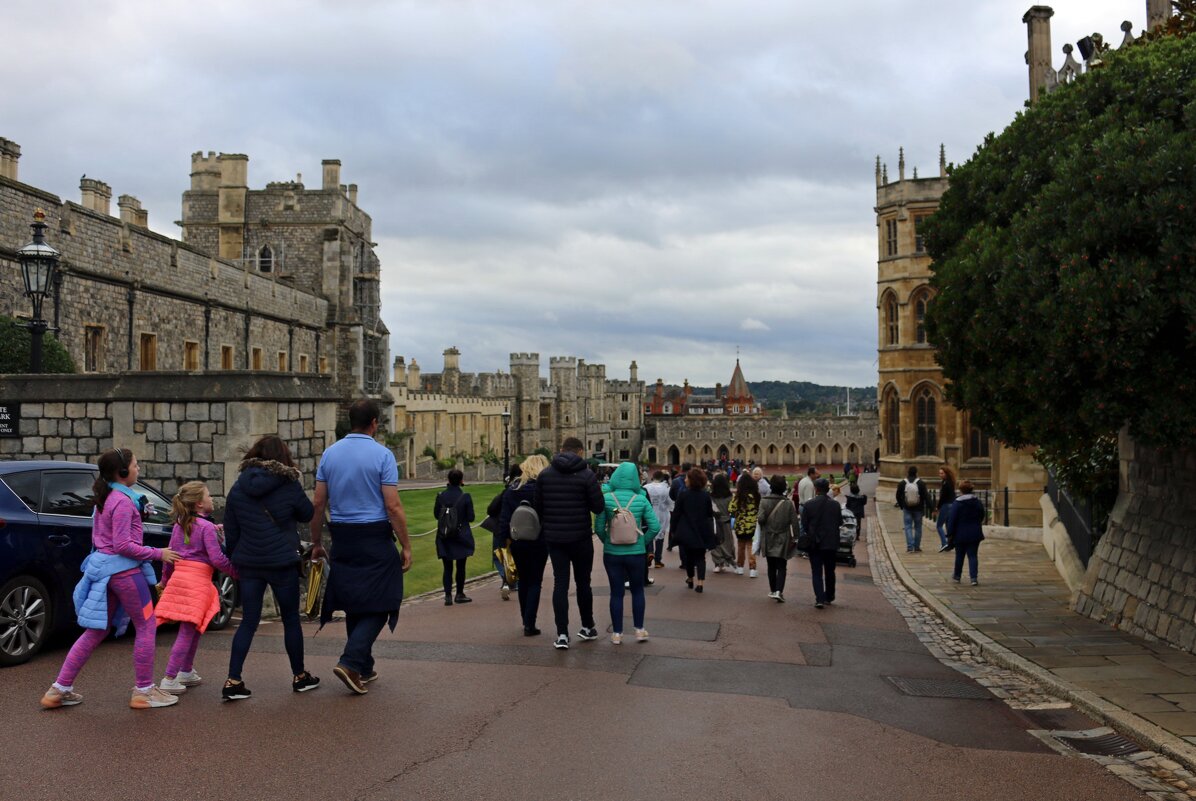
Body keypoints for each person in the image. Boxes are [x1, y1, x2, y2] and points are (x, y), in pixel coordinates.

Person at [41, 447, 181, 710]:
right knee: (147, 625)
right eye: (136, 465)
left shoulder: (107, 498)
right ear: (123, 471)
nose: (139, 469)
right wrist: (159, 553)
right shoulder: (123, 501)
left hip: (105, 571)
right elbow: (124, 546)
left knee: (97, 629)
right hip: (125, 573)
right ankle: (143, 691)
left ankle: (58, 689)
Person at [311, 399, 412, 695]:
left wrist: (317, 542)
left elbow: (318, 503)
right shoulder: (382, 455)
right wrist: (406, 546)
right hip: (373, 534)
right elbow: (393, 506)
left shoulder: (330, 454)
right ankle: (351, 661)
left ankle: (364, 667)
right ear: (374, 423)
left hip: (342, 535)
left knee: (356, 598)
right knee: (386, 599)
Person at [222, 435, 318, 700]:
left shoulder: (240, 486)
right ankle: (299, 676)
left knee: (248, 622)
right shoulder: (289, 483)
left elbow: (231, 527)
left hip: (249, 562)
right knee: (290, 620)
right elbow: (307, 514)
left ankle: (233, 679)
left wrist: (236, 555)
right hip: (281, 562)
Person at [156, 481, 240, 695]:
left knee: (192, 628)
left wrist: (165, 582)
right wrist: (236, 572)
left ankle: (186, 670)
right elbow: (217, 558)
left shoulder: (179, 525)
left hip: (179, 579)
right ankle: (170, 677)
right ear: (200, 504)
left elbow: (170, 557)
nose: (212, 499)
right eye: (209, 496)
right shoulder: (207, 528)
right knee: (187, 631)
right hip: (198, 582)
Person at [534, 437, 605, 650]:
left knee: (560, 584)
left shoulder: (545, 475)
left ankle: (562, 634)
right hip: (581, 537)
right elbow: (598, 507)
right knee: (583, 583)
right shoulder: (586, 475)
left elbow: (538, 508)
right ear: (580, 451)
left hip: (555, 538)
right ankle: (587, 626)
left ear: (561, 449)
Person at [595, 462, 660, 643]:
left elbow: (598, 526)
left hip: (612, 553)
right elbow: (655, 527)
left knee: (616, 593)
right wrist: (642, 542)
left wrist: (606, 540)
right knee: (638, 590)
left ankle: (617, 633)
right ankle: (639, 629)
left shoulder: (607, 499)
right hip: (636, 553)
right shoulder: (640, 499)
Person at [500, 455, 550, 635]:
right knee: (535, 581)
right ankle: (530, 623)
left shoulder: (512, 489)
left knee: (524, 581)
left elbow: (504, 519)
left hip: (518, 540)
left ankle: (525, 619)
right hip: (539, 540)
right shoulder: (544, 489)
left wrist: (503, 542)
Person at [434, 469, 476, 606]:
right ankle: (459, 593)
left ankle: (447, 596)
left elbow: (436, 515)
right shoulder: (465, 497)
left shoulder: (440, 496)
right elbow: (471, 517)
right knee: (461, 566)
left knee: (447, 568)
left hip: (444, 534)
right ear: (461, 481)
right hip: (460, 535)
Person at [801, 478, 844, 609]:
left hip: (815, 543)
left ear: (816, 489)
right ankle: (829, 596)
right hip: (831, 542)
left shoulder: (809, 505)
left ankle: (819, 598)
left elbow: (804, 525)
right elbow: (840, 522)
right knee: (830, 571)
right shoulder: (835, 505)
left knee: (816, 572)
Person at [671, 468, 716, 592]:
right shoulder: (705, 495)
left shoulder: (683, 494)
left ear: (692, 480)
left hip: (687, 530)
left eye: (687, 478)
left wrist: (673, 529)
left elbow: (676, 513)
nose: (685, 480)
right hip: (701, 530)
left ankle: (690, 578)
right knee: (701, 557)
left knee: (689, 557)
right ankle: (700, 583)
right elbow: (709, 514)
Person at [758, 475, 799, 602]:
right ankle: (778, 591)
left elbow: (760, 519)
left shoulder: (764, 501)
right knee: (782, 565)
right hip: (783, 536)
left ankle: (772, 589)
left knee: (771, 565)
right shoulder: (788, 503)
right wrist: (796, 538)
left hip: (768, 536)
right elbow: (795, 523)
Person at [488, 464, 522, 600]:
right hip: (519, 528)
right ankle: (512, 580)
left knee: (498, 556)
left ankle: (508, 579)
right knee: (515, 555)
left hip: (503, 527)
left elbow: (491, 510)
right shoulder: (527, 489)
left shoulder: (507, 491)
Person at [947, 480, 986, 586]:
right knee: (973, 556)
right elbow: (982, 514)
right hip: (974, 533)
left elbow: (952, 519)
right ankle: (974, 578)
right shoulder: (977, 502)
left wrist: (949, 533)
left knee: (959, 555)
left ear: (961, 490)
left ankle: (957, 575)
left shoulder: (957, 503)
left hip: (960, 534)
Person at [727, 474, 760, 577]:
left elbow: (731, 509)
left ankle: (740, 567)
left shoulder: (738, 496)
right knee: (751, 547)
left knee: (740, 546)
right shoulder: (756, 496)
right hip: (752, 525)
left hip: (741, 525)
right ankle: (752, 569)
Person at [896, 465, 931, 553]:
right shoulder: (921, 483)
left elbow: (898, 496)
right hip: (918, 509)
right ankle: (917, 547)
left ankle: (910, 547)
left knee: (908, 527)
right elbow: (926, 496)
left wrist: (902, 505)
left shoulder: (902, 483)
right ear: (916, 473)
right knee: (918, 527)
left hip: (907, 508)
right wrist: (931, 507)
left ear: (908, 473)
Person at [645, 471, 673, 568]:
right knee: (660, 536)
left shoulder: (646, 487)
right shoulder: (666, 489)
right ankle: (658, 560)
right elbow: (670, 503)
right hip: (662, 514)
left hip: (649, 513)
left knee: (649, 534)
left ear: (652, 476)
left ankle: (649, 552)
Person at [709, 473, 736, 572]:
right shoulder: (730, 496)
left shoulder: (711, 496)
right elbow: (732, 510)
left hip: (716, 522)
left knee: (716, 543)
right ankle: (727, 560)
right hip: (726, 522)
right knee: (727, 542)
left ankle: (718, 563)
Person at [936, 465, 957, 553]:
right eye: (940, 473)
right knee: (948, 525)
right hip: (952, 504)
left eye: (942, 473)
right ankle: (950, 543)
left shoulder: (946, 484)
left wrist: (938, 507)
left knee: (939, 526)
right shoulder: (950, 482)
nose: (940, 475)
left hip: (946, 505)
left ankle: (944, 543)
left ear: (946, 473)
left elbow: (943, 497)